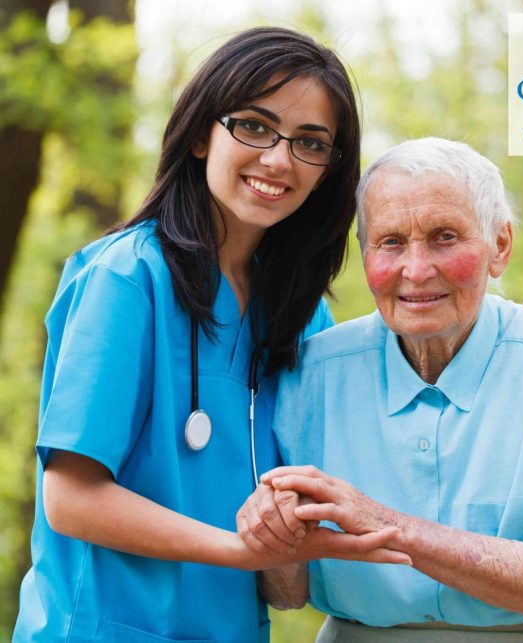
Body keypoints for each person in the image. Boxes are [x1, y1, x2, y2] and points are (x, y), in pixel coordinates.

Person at [13, 27, 413, 643]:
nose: (278, 160)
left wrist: (502, 338)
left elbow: (385, 429)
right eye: (254, 126)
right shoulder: (126, 277)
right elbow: (71, 498)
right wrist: (241, 551)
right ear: (202, 134)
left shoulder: (300, 313)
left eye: (310, 143)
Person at [241, 138, 523, 642]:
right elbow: (286, 594)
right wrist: (274, 534)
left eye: (444, 237)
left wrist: (384, 524)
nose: (416, 270)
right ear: (365, 253)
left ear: (500, 246)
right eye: (391, 242)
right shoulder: (312, 373)